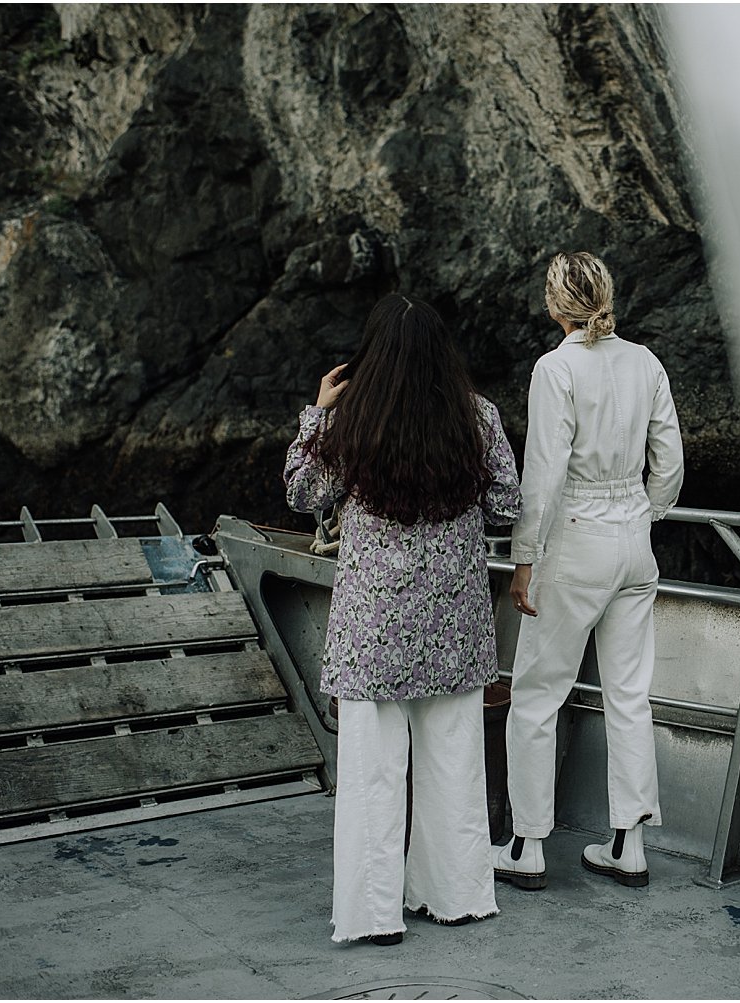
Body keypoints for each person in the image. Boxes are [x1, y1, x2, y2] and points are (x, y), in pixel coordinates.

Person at [284, 294, 522, 945]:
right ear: (444, 356)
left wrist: (318, 410)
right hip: (453, 621)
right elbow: (506, 501)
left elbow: (304, 492)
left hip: (373, 626)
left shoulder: (352, 419)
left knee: (372, 776)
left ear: (372, 356)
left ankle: (373, 914)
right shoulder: (478, 416)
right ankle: (457, 896)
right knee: (454, 766)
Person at [493, 251, 684, 889]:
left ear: (555, 305)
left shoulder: (556, 368)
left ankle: (527, 846)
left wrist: (524, 562)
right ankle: (628, 845)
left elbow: (541, 476)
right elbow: (672, 464)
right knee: (630, 696)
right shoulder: (647, 362)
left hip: (575, 544)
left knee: (538, 698)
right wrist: (643, 512)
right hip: (634, 542)